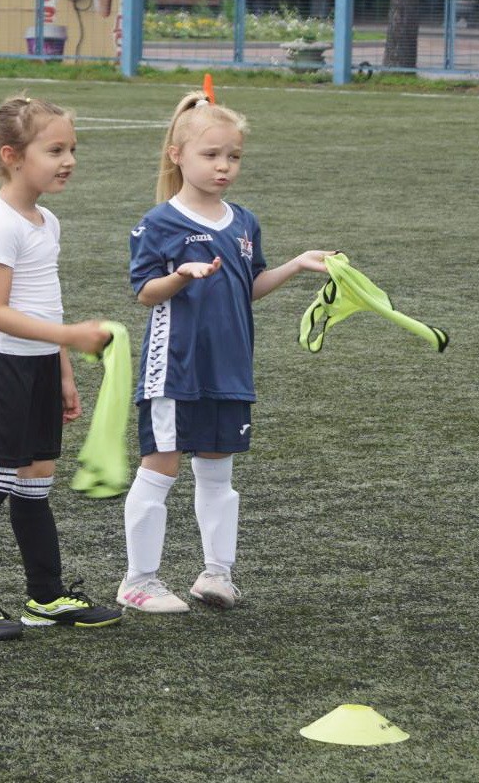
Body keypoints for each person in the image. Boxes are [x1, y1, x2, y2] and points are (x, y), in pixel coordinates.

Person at [117, 91, 334, 614]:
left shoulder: (243, 222)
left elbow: (248, 287)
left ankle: (216, 574)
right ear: (177, 155)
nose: (223, 166)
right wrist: (179, 275)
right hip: (174, 369)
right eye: (211, 154)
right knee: (159, 469)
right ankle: (138, 581)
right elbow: (145, 292)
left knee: (218, 475)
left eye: (233, 156)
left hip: (230, 368)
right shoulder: (158, 223)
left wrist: (296, 265)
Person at [0, 95, 124, 640]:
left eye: (72, 149)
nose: (69, 161)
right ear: (12, 156)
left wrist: (61, 370)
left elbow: (46, 304)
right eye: (55, 150)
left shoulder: (45, 220)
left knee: (36, 484)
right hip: (1, 370)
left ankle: (46, 597)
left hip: (38, 368)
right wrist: (71, 338)